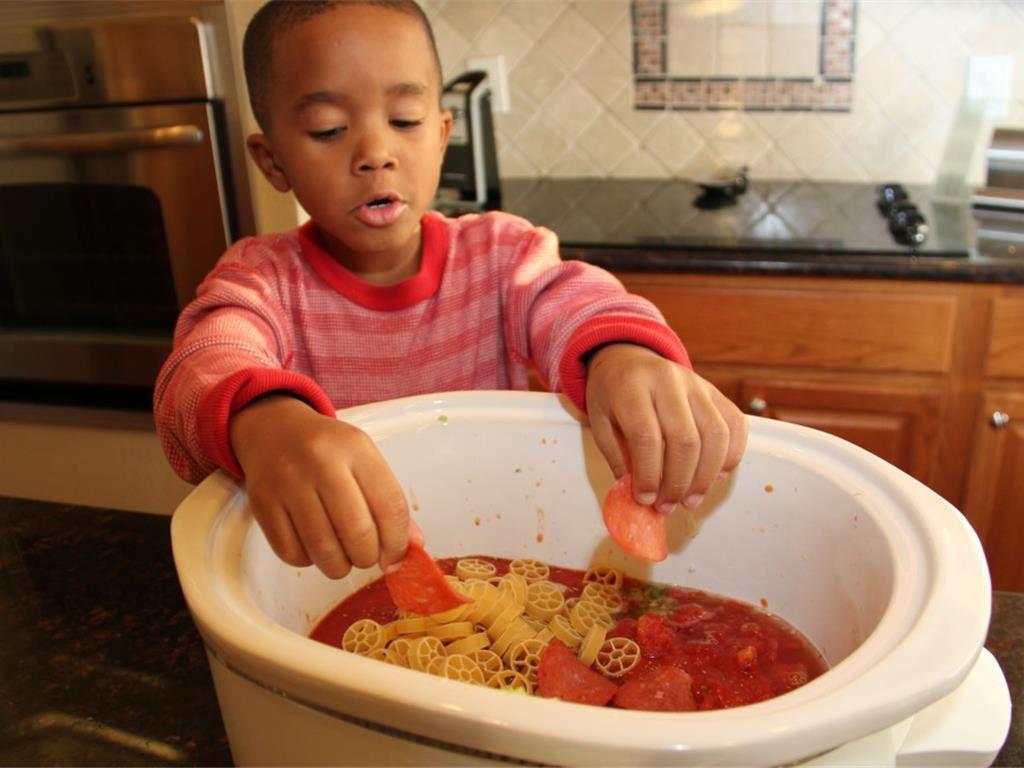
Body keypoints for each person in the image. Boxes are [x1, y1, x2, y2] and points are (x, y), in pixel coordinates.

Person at [154, 0, 747, 581]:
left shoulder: (501, 258)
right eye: (327, 129)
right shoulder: (262, 282)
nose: (375, 154)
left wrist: (622, 354)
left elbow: (571, 298)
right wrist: (264, 423)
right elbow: (200, 366)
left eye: (405, 121)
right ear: (273, 161)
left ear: (441, 136)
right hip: (340, 578)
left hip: (501, 561)